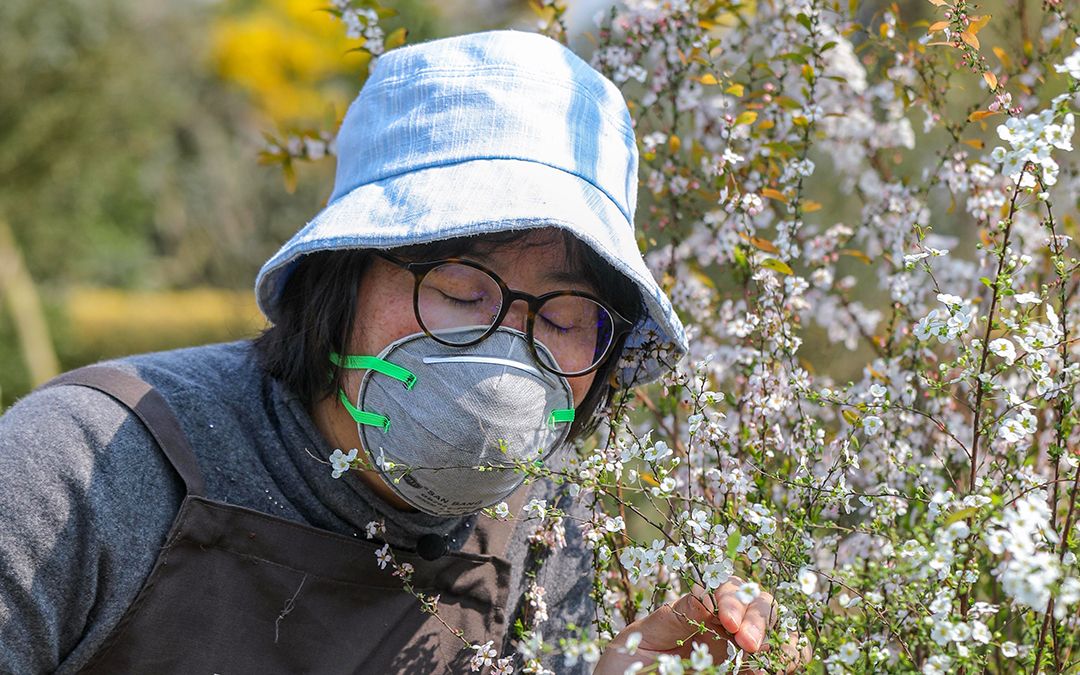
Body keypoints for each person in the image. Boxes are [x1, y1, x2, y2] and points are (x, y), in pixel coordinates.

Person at [0, 30, 803, 673]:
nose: (504, 360)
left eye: (564, 314)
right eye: (459, 288)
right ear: (340, 277)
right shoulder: (81, 468)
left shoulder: (545, 531)